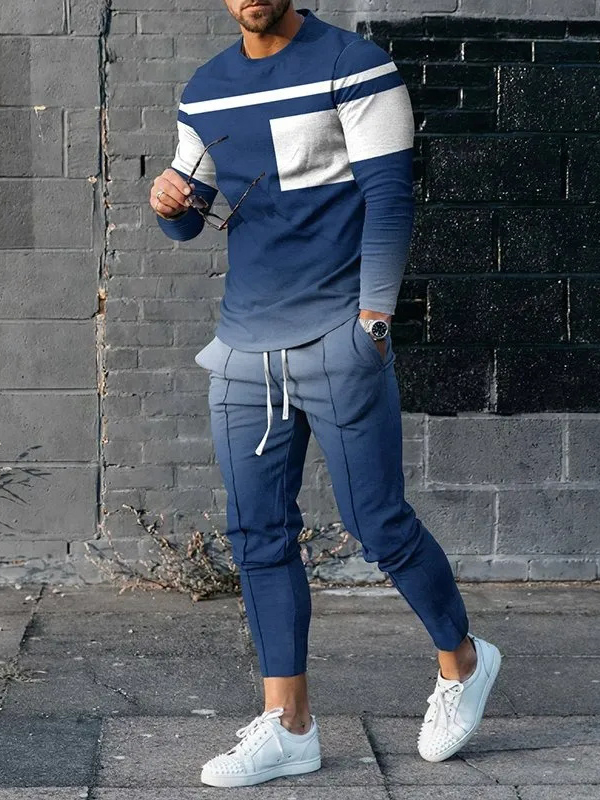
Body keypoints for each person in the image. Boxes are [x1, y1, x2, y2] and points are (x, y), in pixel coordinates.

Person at [149, 0, 501, 788]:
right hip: (244, 344)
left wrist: (372, 321)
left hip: (339, 332)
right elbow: (192, 215)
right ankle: (290, 727)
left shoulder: (355, 65)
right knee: (257, 532)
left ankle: (464, 660)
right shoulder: (206, 88)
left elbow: (390, 197)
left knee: (378, 525)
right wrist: (170, 202)